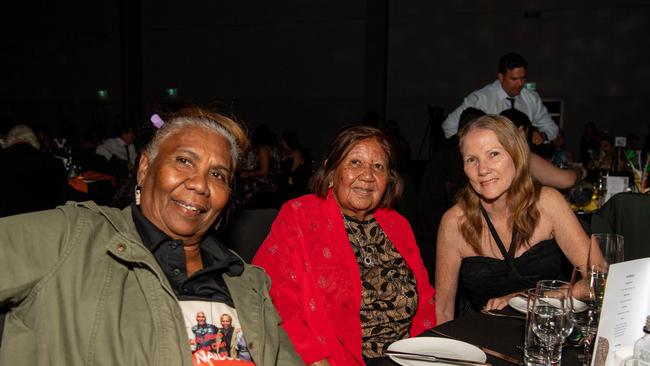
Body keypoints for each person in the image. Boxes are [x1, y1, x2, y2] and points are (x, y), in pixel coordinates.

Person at [0, 107, 301, 365]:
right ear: (145, 168)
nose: (200, 184)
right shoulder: (73, 238)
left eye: (218, 174)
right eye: (184, 161)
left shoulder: (248, 283)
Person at [253, 125, 436, 366]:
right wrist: (313, 357)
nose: (368, 175)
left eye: (378, 166)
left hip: (407, 357)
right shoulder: (300, 215)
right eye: (355, 163)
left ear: (388, 179)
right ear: (331, 171)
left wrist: (427, 350)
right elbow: (271, 296)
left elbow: (424, 297)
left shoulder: (397, 224)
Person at [435, 114, 599, 324]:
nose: (482, 170)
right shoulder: (454, 223)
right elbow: (443, 311)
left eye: (494, 154)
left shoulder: (548, 203)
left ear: (516, 156)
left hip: (550, 334)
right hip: (482, 340)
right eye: (471, 160)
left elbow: (599, 279)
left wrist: (527, 298)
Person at [441, 52, 559, 141]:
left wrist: (543, 135)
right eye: (514, 79)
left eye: (523, 78)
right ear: (501, 77)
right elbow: (449, 126)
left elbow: (552, 128)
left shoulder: (532, 98)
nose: (520, 84)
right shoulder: (480, 99)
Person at [500, 108, 583, 190]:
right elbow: (566, 180)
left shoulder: (495, 155)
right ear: (522, 131)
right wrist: (580, 171)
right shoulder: (521, 157)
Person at [0, 124, 66, 217]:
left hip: (7, 226)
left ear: (9, 140)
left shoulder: (3, 160)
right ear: (34, 141)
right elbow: (62, 199)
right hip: (45, 224)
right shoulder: (54, 163)